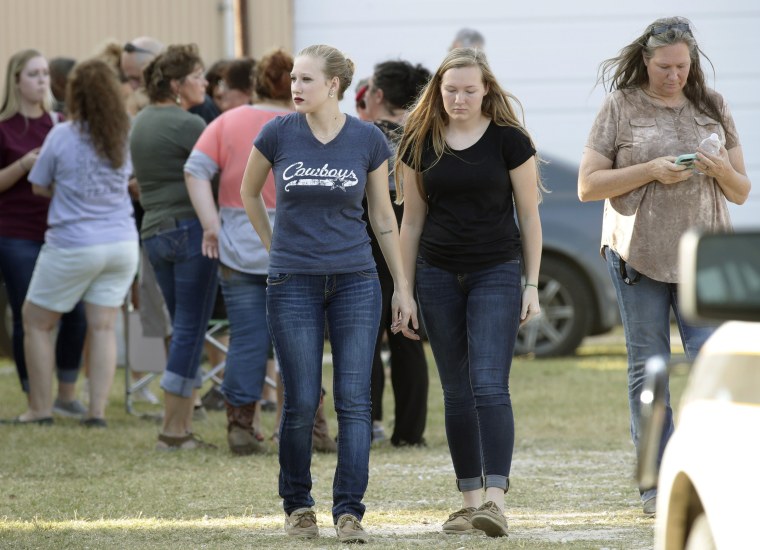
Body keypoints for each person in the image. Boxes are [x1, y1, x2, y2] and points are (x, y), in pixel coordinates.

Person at [240, 44, 416, 543]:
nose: (296, 87)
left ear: (334, 85)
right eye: (294, 78)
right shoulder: (277, 132)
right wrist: (274, 247)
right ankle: (298, 505)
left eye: (307, 80)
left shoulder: (367, 139)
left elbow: (384, 217)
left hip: (357, 281)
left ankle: (349, 512)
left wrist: (402, 286)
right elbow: (248, 193)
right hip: (292, 280)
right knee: (299, 400)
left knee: (354, 400)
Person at [578, 16, 751, 516]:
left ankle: (712, 471)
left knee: (710, 363)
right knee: (649, 370)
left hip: (705, 258)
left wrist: (719, 169)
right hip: (639, 255)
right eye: (662, 67)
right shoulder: (621, 106)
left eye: (681, 66)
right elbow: (589, 186)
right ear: (645, 61)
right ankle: (656, 484)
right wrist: (650, 171)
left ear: (692, 62)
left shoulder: (712, 105)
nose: (673, 76)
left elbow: (741, 192)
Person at [396, 47, 543, 537]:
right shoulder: (420, 141)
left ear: (486, 91)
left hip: (496, 271)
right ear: (438, 91)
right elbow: (410, 221)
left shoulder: (509, 141)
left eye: (469, 90)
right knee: (456, 391)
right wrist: (404, 289)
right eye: (450, 90)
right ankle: (469, 502)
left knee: (488, 384)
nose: (459, 98)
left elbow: (530, 217)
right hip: (437, 274)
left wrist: (532, 284)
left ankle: (496, 502)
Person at [18, 59, 139, 427]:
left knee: (36, 322)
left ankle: (40, 410)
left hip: (73, 243)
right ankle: (96, 412)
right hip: (121, 242)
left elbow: (39, 185)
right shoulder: (124, 132)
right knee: (102, 326)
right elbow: (128, 181)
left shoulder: (62, 135)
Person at [185, 48, 294, 455]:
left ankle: (241, 426)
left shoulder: (228, 120)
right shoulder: (303, 124)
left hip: (236, 237)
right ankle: (305, 425)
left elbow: (195, 170)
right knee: (299, 338)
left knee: (247, 338)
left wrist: (211, 223)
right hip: (296, 242)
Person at [130, 44, 219, 450]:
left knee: (182, 327)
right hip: (188, 230)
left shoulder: (141, 121)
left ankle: (178, 423)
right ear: (176, 84)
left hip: (154, 233)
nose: (205, 83)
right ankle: (174, 430)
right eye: (198, 76)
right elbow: (220, 169)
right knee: (189, 329)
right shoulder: (187, 125)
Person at [0, 49, 87, 422]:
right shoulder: (3, 128)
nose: (41, 81)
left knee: (76, 312)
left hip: (59, 231)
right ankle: (36, 396)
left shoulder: (60, 123)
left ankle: (67, 393)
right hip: (14, 232)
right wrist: (24, 163)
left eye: (44, 74)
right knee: (27, 313)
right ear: (16, 79)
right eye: (33, 74)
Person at [361, 59, 431, 447]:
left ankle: (368, 422)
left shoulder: (362, 134)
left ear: (379, 95)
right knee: (407, 330)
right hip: (416, 232)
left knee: (365, 332)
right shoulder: (427, 136)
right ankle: (411, 431)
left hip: (370, 230)